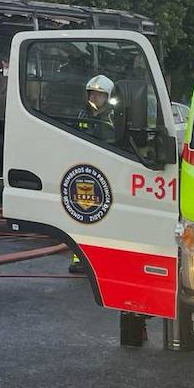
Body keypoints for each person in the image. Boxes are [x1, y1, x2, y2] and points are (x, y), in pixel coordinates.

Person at [70, 74, 116, 275]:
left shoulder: (113, 116)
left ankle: (108, 258)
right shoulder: (82, 113)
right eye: (92, 94)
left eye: (99, 95)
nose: (95, 98)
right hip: (85, 171)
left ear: (107, 96)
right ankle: (80, 259)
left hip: (108, 171)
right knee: (83, 214)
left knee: (107, 216)